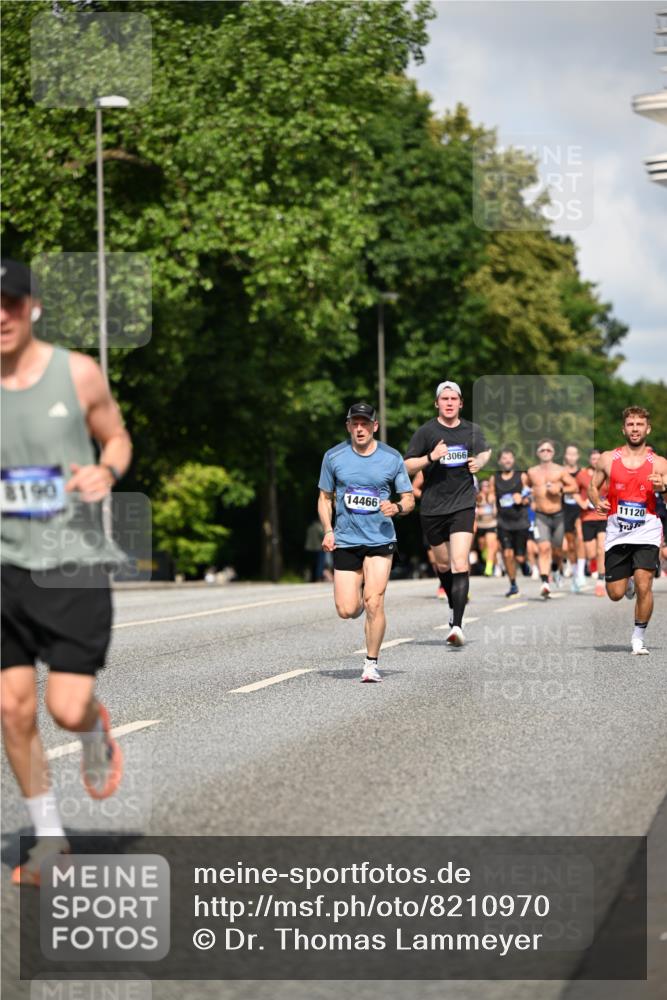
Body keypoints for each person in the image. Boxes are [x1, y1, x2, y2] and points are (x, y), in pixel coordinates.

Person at [1, 259, 132, 884]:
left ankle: (91, 728)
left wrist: (106, 471)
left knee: (65, 707)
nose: (1, 315)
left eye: (11, 302)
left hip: (71, 564)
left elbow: (117, 438)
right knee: (12, 708)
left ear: (32, 307)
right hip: (4, 567)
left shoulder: (76, 373)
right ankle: (49, 838)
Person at [318, 402, 414, 682]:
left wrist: (396, 508)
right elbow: (324, 498)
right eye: (354, 423)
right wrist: (327, 530)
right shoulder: (333, 456)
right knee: (347, 610)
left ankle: (371, 663)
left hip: (380, 537)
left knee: (375, 601)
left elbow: (408, 499)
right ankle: (359, 595)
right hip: (346, 538)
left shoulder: (391, 458)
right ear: (348, 426)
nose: (360, 429)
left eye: (365, 423)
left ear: (375, 426)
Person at [404, 380, 491, 646]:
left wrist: (480, 461)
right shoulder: (426, 432)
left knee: (460, 563)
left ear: (461, 403)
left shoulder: (471, 431)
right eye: (445, 399)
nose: (450, 403)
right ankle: (455, 608)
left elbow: (487, 451)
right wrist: (431, 457)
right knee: (443, 565)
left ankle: (458, 625)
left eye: (454, 399)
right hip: (432, 507)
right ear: (437, 403)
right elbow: (406, 466)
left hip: (463, 504)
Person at [588, 406, 667, 655]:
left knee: (646, 585)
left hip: (648, 529)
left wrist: (663, 486)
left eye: (639, 424)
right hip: (617, 531)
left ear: (648, 429)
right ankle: (627, 582)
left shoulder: (661, 463)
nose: (635, 429)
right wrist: (595, 501)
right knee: (615, 593)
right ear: (624, 429)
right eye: (631, 425)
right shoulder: (608, 459)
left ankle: (638, 637)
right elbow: (593, 486)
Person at [525, 439, 578, 599]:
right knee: (543, 548)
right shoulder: (532, 471)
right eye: (542, 450)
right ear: (537, 453)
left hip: (558, 515)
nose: (545, 453)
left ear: (553, 453)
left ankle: (555, 567)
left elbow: (574, 486)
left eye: (548, 450)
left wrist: (560, 489)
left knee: (558, 549)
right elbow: (526, 487)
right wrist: (530, 499)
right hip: (541, 515)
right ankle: (545, 583)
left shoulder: (560, 470)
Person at [488, 447, 531, 598]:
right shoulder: (495, 478)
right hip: (503, 522)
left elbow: (530, 494)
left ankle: (524, 562)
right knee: (506, 553)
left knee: (518, 557)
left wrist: (523, 499)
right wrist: (491, 501)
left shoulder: (522, 476)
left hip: (520, 521)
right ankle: (513, 585)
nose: (507, 461)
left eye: (509, 458)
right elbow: (491, 494)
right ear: (500, 461)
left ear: (513, 460)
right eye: (504, 458)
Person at [576, 449, 608, 597]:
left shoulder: (607, 475)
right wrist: (581, 501)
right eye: (593, 458)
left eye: (598, 458)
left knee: (601, 549)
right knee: (591, 552)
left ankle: (601, 581)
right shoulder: (582, 475)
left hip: (602, 516)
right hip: (587, 517)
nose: (595, 461)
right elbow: (574, 491)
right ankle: (596, 568)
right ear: (589, 460)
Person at [412, 469, 445, 598]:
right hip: (430, 515)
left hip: (450, 513)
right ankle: (444, 581)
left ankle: (454, 583)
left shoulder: (451, 464)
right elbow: (413, 488)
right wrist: (426, 496)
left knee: (450, 552)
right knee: (433, 557)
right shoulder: (424, 469)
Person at [562, 444, 587, 592]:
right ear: (565, 456)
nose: (571, 457)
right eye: (569, 454)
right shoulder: (561, 472)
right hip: (565, 510)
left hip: (579, 510)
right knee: (569, 545)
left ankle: (581, 573)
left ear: (577, 456)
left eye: (574, 454)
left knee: (580, 538)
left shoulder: (582, 473)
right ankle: (575, 571)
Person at [474, 480, 499, 577]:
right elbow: (474, 510)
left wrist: (491, 510)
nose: (486, 488)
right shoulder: (478, 497)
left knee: (491, 546)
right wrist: (478, 511)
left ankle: (488, 568)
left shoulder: (492, 497)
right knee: (482, 547)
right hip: (480, 525)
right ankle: (491, 563)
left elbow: (496, 510)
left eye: (487, 486)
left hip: (491, 524)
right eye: (484, 486)